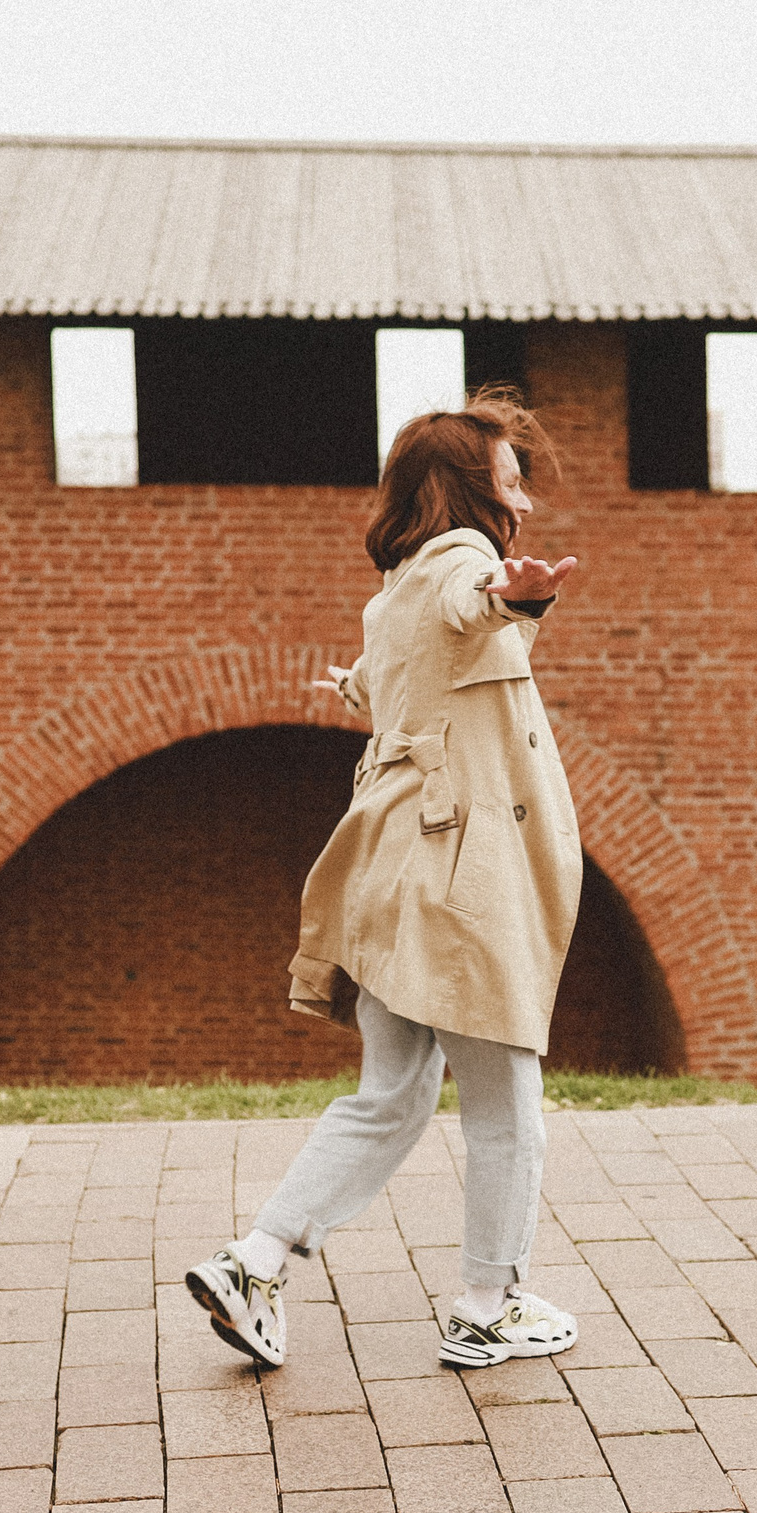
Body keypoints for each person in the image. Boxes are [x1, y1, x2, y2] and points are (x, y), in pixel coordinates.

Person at [187, 392, 587, 1371]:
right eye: (509, 479)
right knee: (505, 1108)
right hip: (459, 884)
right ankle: (488, 1304)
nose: (523, 501)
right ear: (464, 487)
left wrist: (372, 680)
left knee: (392, 1095)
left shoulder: (395, 587)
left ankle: (256, 1258)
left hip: (398, 874)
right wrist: (515, 596)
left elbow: (422, 658)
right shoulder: (459, 564)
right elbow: (475, 603)